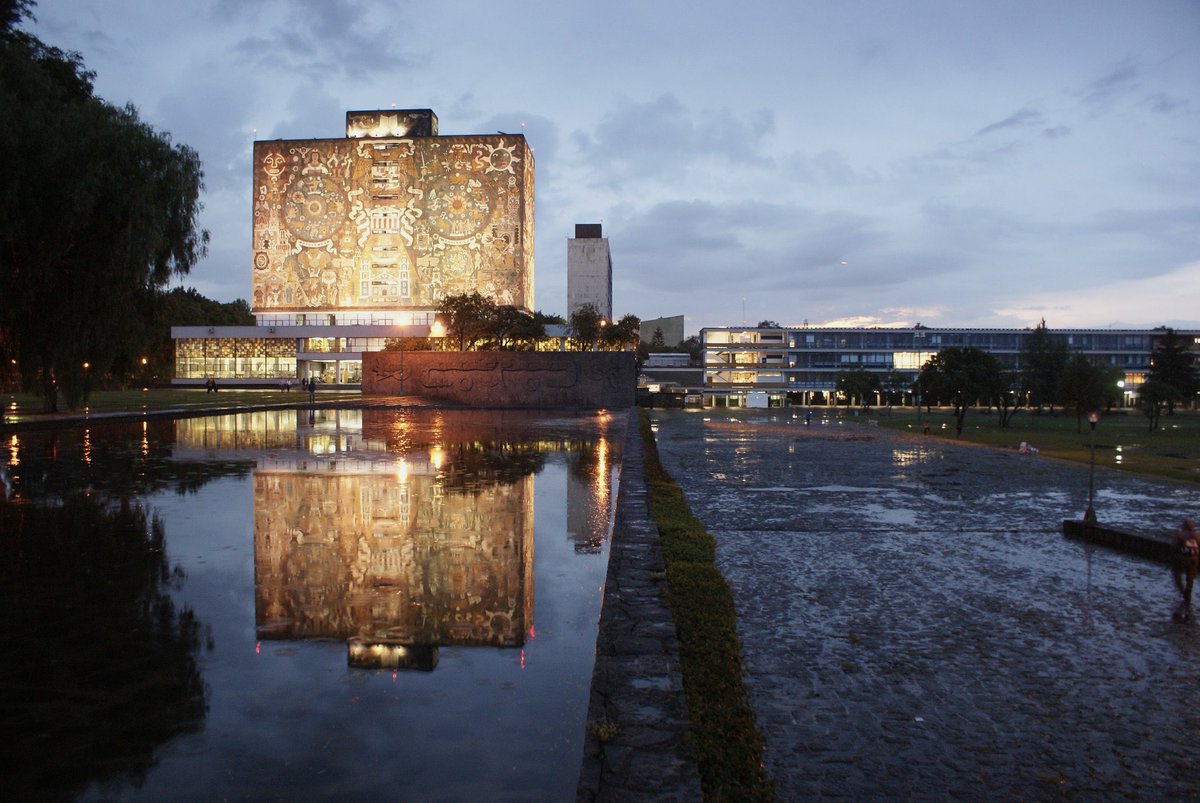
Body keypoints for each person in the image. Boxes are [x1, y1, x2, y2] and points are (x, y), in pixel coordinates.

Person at [1171, 517, 1198, 614]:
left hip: (1182, 559)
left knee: (1176, 574)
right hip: (1194, 559)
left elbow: (1174, 547)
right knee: (1190, 577)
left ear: (1184, 526)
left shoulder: (1180, 535)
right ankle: (1188, 593)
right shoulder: (1198, 535)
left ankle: (1182, 591)